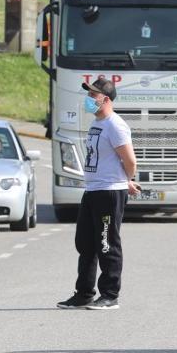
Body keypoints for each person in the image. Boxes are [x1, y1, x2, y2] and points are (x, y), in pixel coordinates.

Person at [57, 78, 140, 310]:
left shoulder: (115, 125)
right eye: (89, 95)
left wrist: (126, 181)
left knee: (106, 243)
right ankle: (83, 293)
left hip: (109, 192)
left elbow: (130, 161)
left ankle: (110, 295)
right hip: (93, 190)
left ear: (105, 99)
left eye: (93, 95)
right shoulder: (98, 123)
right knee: (85, 243)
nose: (89, 99)